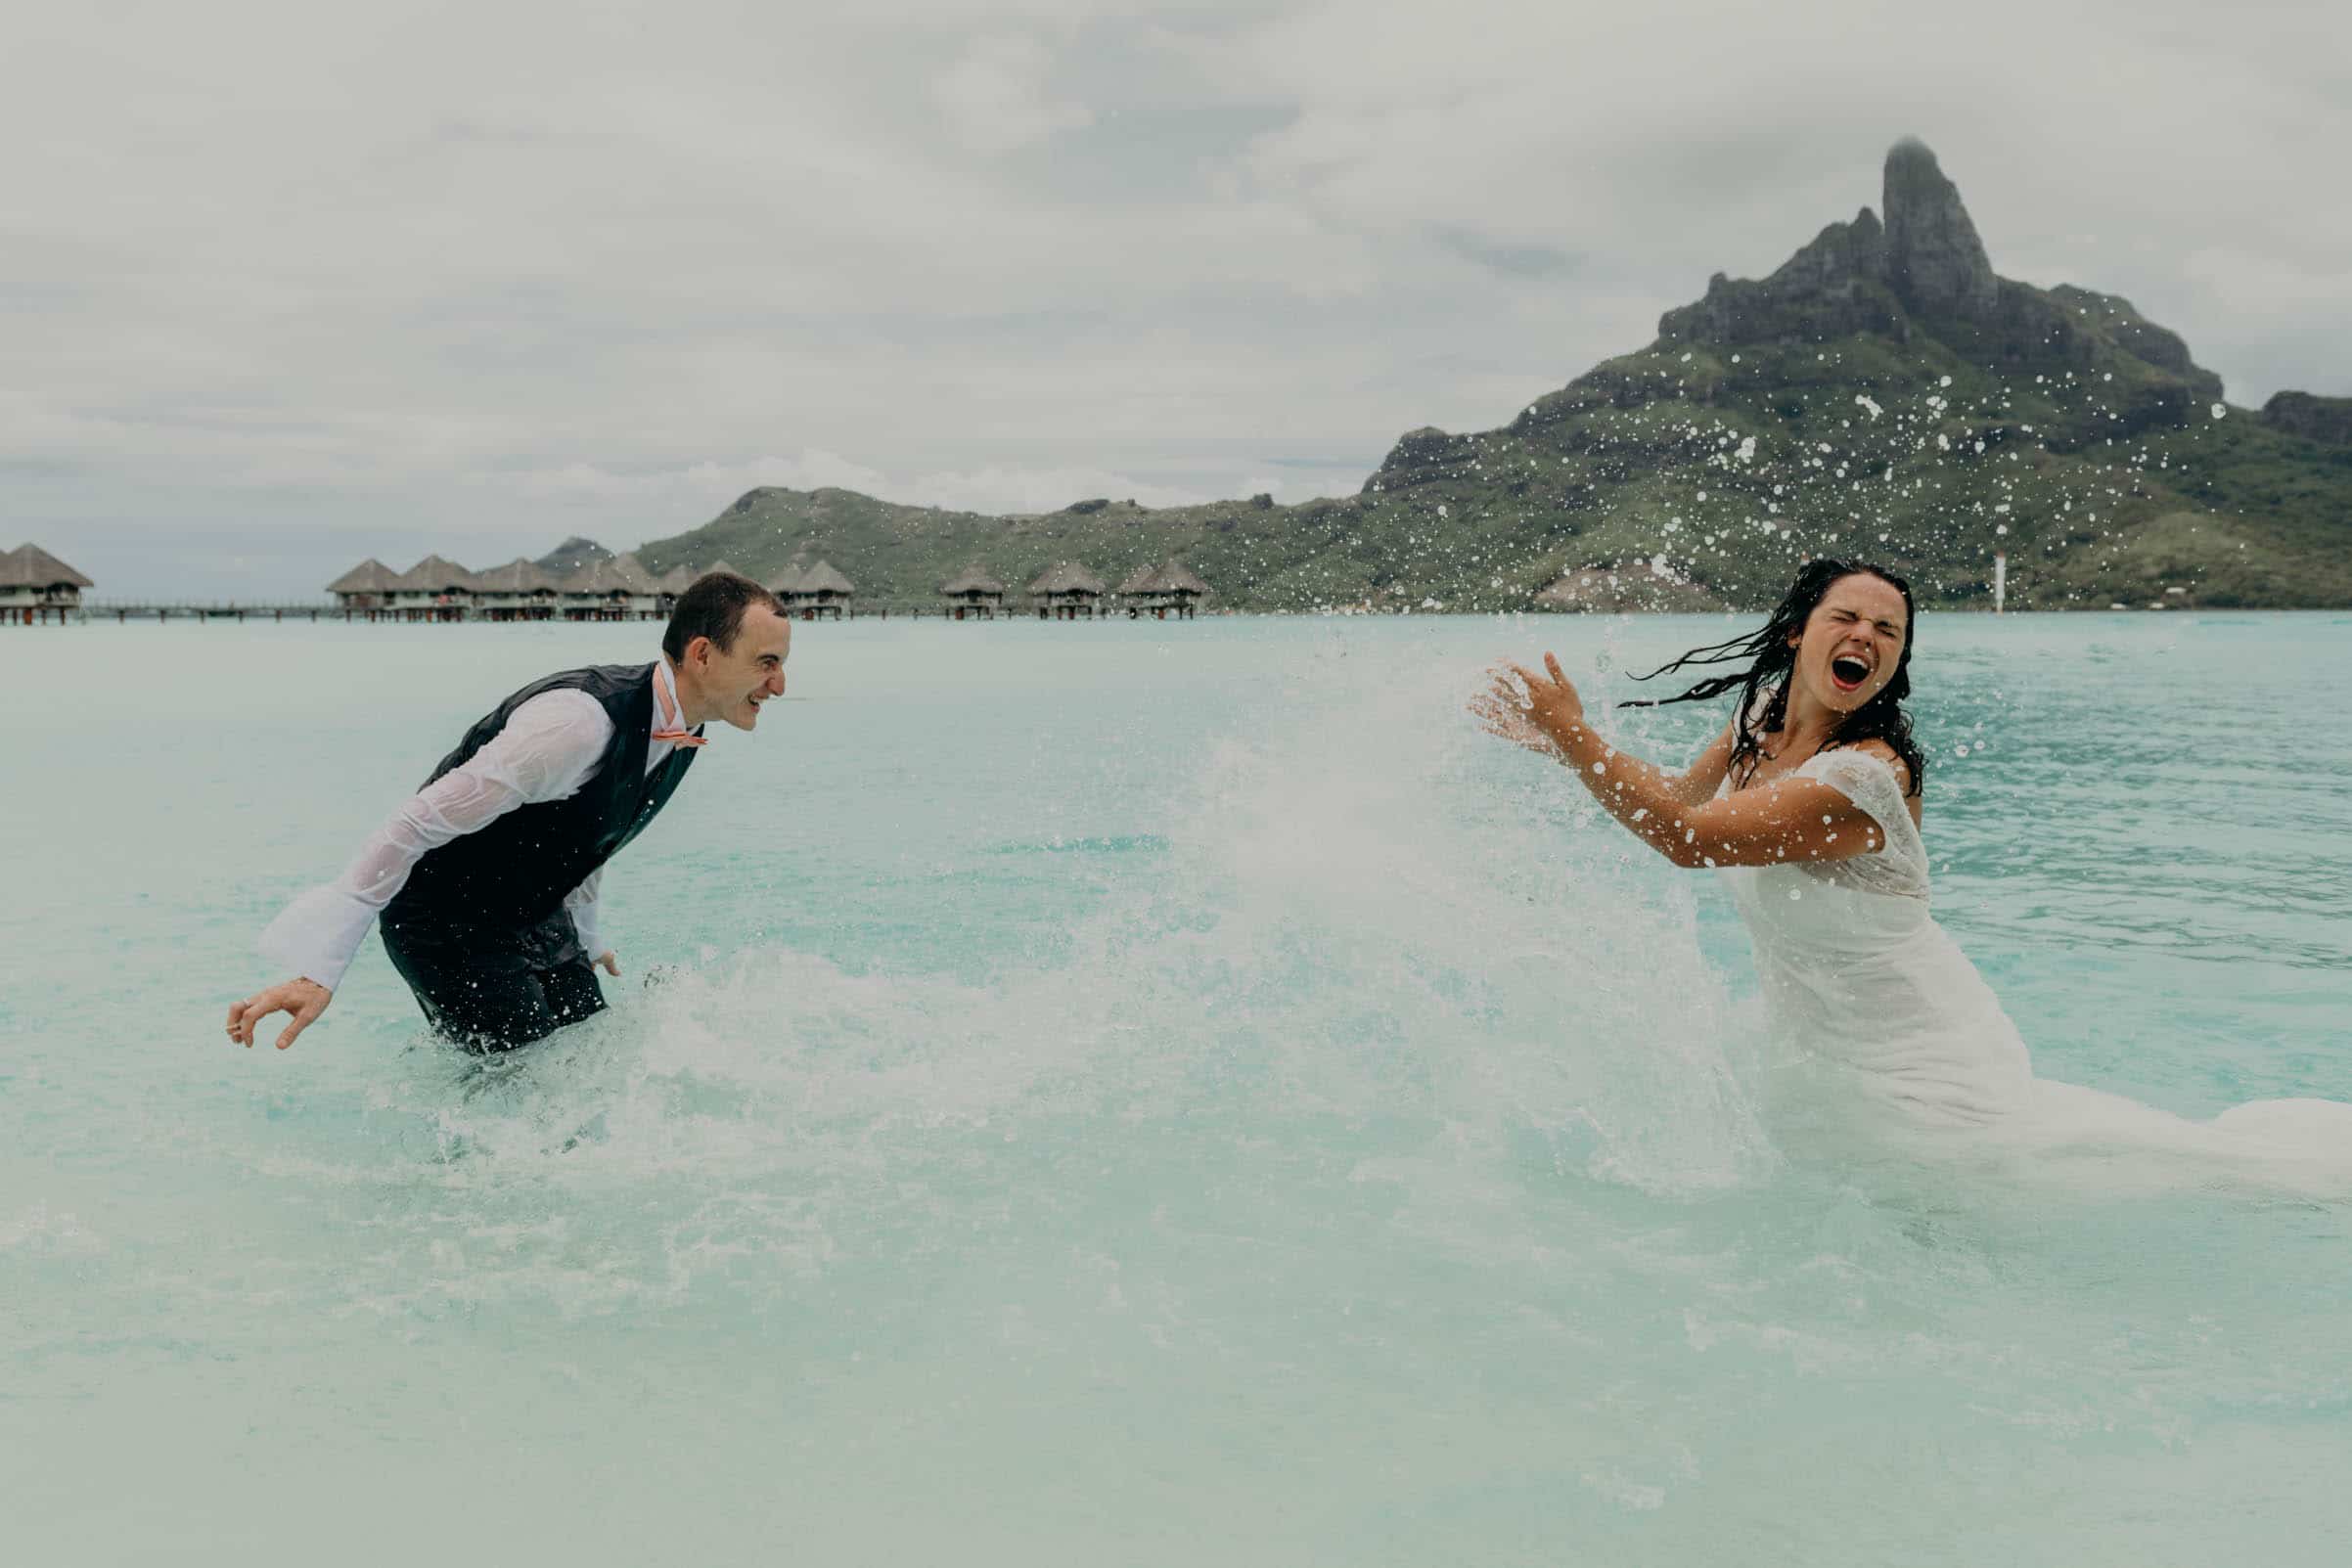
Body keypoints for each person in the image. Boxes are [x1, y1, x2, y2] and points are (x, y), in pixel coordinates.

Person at [1473, 560, 2352, 1165]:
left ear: (1893, 662)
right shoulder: (1762, 721)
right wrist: (1560, 748)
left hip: (1926, 1076)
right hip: (1825, 1063)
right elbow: (1681, 801)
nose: (1867, 634)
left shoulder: (1864, 776)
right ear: (1797, 635)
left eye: (1888, 630)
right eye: (1846, 617)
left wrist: (1575, 732)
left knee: (2204, 1173)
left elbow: (1686, 841)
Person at [226, 570, 792, 1053]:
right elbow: (413, 822)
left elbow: (592, 837)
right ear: (702, 655)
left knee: (588, 1061)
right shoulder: (575, 724)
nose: (780, 685)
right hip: (443, 919)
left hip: (532, 912)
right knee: (521, 1082)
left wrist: (588, 937)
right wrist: (320, 966)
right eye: (766, 662)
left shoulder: (685, 726)